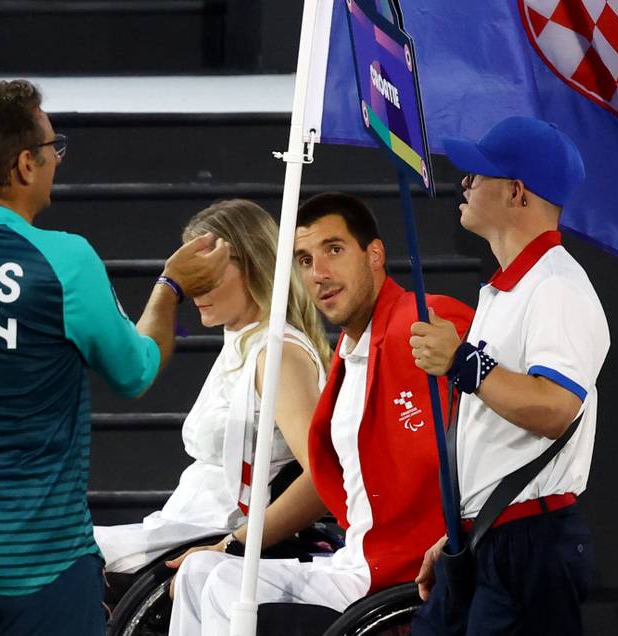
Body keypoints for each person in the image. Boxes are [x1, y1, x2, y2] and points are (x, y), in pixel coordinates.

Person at [0, 79, 228, 636]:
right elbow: (135, 371)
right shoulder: (64, 261)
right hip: (39, 565)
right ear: (23, 166)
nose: (56, 161)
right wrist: (171, 287)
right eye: (51, 148)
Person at [168, 192, 475, 634]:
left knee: (223, 587)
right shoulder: (345, 359)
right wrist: (230, 546)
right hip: (354, 561)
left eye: (334, 250)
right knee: (203, 574)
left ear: (374, 254)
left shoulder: (422, 319)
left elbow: (484, 438)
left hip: (402, 574)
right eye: (304, 260)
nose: (320, 273)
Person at [410, 117, 610, 636]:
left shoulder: (557, 288)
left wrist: (462, 363)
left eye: (476, 174)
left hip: (527, 547)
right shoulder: (511, 291)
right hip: (491, 539)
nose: (465, 184)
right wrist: (463, 531)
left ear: (516, 192)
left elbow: (554, 408)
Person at [93, 199, 331, 578]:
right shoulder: (242, 342)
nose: (196, 288)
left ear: (254, 267)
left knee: (62, 558)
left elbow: (324, 476)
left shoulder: (278, 354)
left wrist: (231, 545)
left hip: (210, 536)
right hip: (178, 526)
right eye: (194, 276)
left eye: (210, 274)